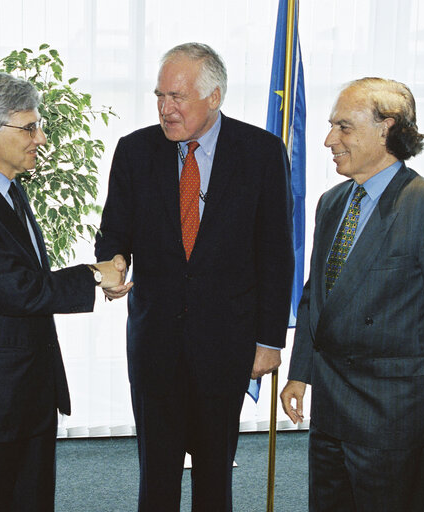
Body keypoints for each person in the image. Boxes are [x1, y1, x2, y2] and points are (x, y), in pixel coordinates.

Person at [95, 42, 294, 511]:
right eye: (160, 96)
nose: (166, 109)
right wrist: (112, 263)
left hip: (226, 344)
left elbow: (275, 252)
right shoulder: (134, 150)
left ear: (214, 97)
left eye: (177, 97)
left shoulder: (261, 153)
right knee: (156, 478)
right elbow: (113, 231)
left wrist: (270, 340)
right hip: (155, 342)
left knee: (214, 478)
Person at [0, 72, 128, 512]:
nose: (42, 136)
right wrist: (96, 275)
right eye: (30, 127)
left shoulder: (8, 189)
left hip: (26, 396)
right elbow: (16, 290)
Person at [281, 77, 424, 511]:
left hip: (394, 417)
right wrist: (300, 371)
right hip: (331, 409)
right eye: (331, 127)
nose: (329, 139)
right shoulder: (332, 202)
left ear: (387, 128)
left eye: (343, 127)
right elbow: (317, 296)